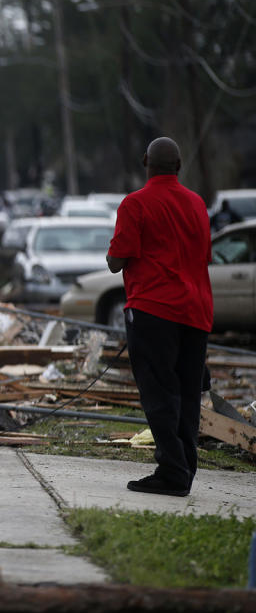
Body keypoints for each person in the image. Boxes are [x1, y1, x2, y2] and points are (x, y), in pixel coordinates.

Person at [106, 137, 213, 497]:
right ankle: (184, 469)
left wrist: (116, 256)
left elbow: (117, 259)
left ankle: (172, 471)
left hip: (153, 309)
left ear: (145, 163)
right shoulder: (197, 204)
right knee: (187, 393)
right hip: (196, 311)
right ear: (179, 166)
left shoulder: (135, 204)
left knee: (159, 393)